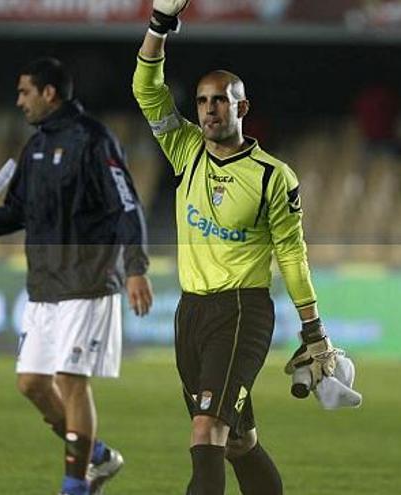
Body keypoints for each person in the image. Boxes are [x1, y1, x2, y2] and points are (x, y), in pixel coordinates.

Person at [133, 2, 340, 493]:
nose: (208, 109)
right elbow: (146, 89)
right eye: (203, 100)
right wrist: (159, 24)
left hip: (241, 313)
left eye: (220, 101)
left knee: (206, 432)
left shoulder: (272, 176)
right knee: (238, 443)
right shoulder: (184, 151)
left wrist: (313, 329)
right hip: (191, 313)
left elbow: (291, 254)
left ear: (241, 108)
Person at [0, 58, 152, 495]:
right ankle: (98, 456)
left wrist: (136, 269)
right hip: (44, 286)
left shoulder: (94, 139)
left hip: (87, 280)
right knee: (32, 384)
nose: (19, 101)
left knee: (71, 381)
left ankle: (74, 486)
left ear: (49, 93)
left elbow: (127, 205)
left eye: (25, 92)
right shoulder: (36, 147)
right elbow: (15, 211)